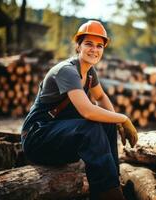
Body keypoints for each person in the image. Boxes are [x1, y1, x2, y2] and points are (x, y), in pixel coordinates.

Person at [21, 20, 138, 200]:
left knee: (106, 125)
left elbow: (101, 97)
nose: (94, 49)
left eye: (99, 45)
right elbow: (87, 111)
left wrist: (115, 121)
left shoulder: (90, 73)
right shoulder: (66, 70)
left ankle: (113, 183)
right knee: (90, 127)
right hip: (37, 140)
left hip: (59, 140)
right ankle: (108, 194)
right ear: (78, 46)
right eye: (89, 44)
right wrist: (123, 118)